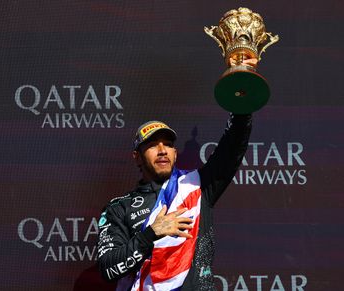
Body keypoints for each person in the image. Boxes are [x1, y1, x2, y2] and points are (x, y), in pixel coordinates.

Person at [98, 60, 255, 291]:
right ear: (137, 157)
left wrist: (242, 81)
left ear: (175, 152)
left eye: (168, 144)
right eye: (152, 145)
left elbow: (233, 145)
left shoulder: (198, 186)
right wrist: (151, 234)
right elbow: (108, 269)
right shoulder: (119, 208)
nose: (162, 150)